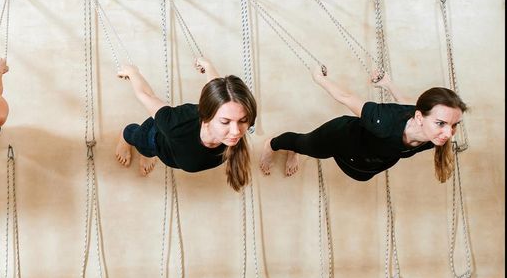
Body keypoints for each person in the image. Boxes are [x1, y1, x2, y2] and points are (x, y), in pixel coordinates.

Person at [259, 70, 467, 182]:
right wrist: (319, 78)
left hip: (366, 162)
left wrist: (388, 84)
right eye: (441, 123)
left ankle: (296, 149)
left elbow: (406, 104)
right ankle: (275, 144)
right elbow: (346, 97)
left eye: (454, 125)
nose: (448, 133)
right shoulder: (382, 121)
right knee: (304, 144)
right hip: (341, 139)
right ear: (420, 118)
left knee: (362, 176)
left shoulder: (433, 135)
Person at [114, 57, 257, 192]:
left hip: (176, 149)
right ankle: (126, 136)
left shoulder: (232, 113)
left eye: (243, 120)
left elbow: (220, 91)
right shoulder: (175, 125)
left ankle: (148, 154)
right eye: (225, 122)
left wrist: (208, 66)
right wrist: (133, 73)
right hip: (155, 138)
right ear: (207, 117)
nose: (236, 132)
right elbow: (147, 96)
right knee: (140, 143)